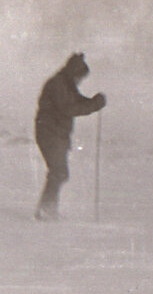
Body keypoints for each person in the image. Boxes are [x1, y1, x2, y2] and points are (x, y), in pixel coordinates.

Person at [34, 52, 106, 220]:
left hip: (57, 134)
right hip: (49, 133)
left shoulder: (65, 84)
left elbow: (77, 101)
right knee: (58, 172)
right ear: (74, 73)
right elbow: (68, 108)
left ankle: (48, 209)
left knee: (59, 172)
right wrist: (93, 105)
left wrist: (94, 101)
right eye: (80, 77)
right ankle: (45, 210)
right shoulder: (58, 84)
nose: (80, 81)